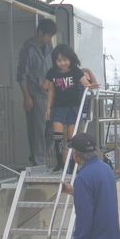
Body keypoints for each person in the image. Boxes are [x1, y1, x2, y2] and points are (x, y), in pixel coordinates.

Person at [43, 44, 94, 172]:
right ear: (55, 61)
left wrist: (92, 86)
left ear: (70, 59)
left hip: (73, 107)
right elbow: (50, 90)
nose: (63, 63)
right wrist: (48, 108)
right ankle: (60, 162)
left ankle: (71, 164)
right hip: (58, 106)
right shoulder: (52, 72)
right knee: (57, 135)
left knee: (71, 137)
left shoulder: (76, 71)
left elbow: (86, 84)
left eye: (65, 60)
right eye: (59, 60)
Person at [16, 18, 57, 167]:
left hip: (50, 95)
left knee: (53, 130)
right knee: (37, 131)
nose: (49, 39)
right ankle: (39, 163)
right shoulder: (28, 49)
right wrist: (26, 97)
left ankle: (37, 157)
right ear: (40, 32)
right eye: (48, 36)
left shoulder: (49, 47)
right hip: (34, 94)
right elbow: (21, 75)